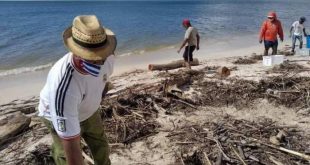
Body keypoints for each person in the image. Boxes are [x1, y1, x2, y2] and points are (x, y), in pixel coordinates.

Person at [38, 15, 116, 165]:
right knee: (65, 155)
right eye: (92, 57)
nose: (100, 62)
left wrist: (96, 99)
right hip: (57, 111)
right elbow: (72, 149)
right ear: (77, 52)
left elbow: (103, 80)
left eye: (102, 54)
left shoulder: (109, 56)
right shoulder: (64, 87)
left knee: (100, 145)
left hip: (89, 110)